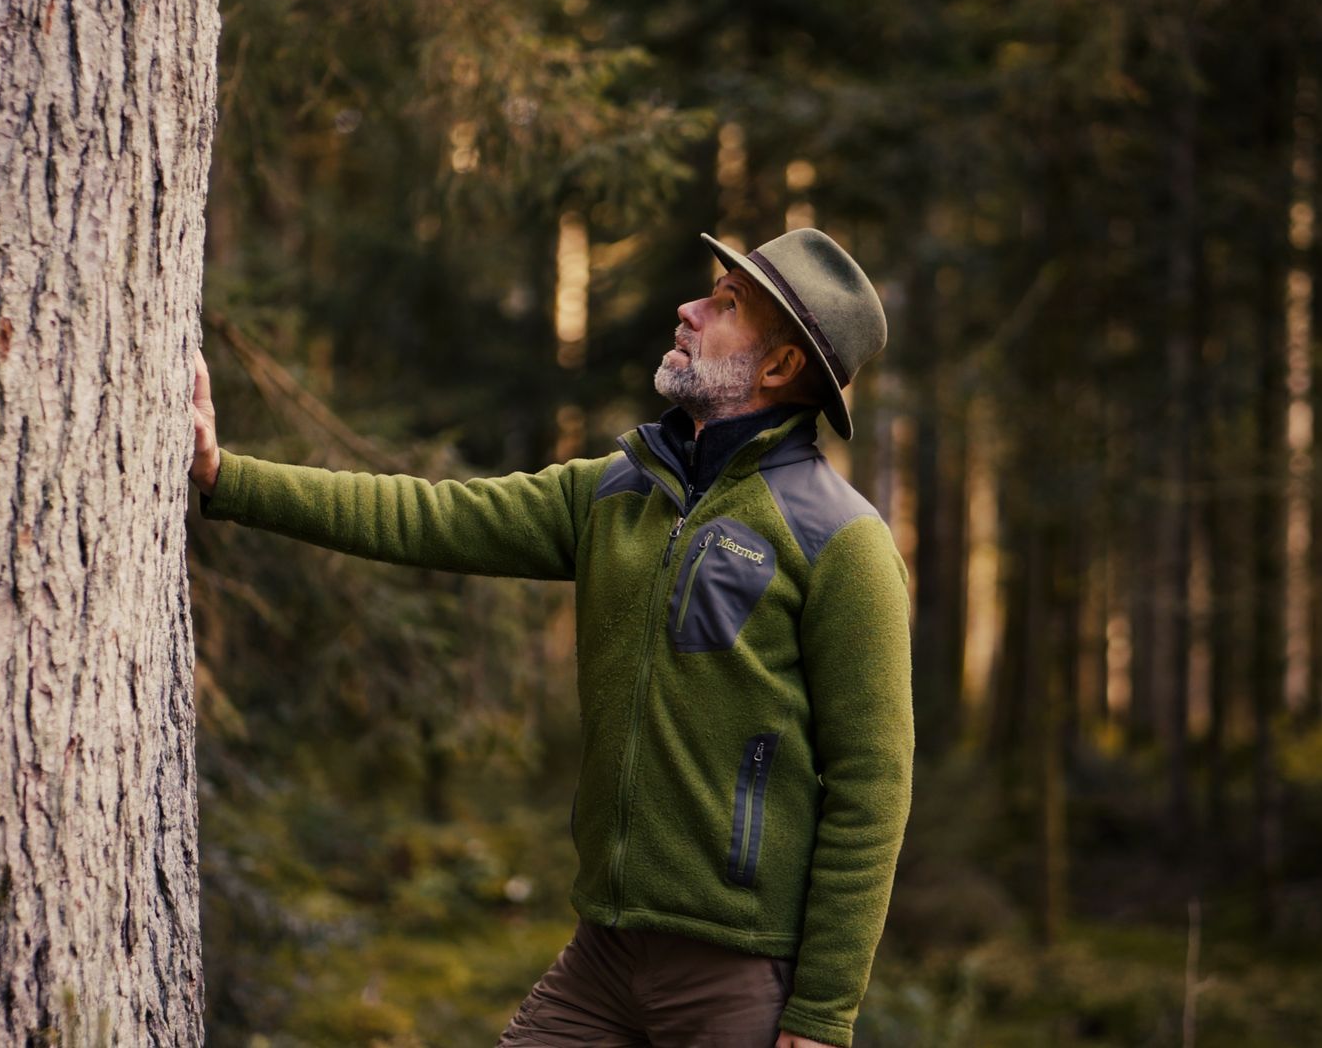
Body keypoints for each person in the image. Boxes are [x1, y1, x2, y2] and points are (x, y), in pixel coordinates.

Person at [189, 227, 913, 1048]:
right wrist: (226, 475)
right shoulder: (615, 493)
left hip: (736, 976)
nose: (689, 309)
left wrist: (822, 1014)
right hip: (603, 955)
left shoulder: (841, 543)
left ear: (780, 368)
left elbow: (871, 788)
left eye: (726, 304)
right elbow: (426, 516)